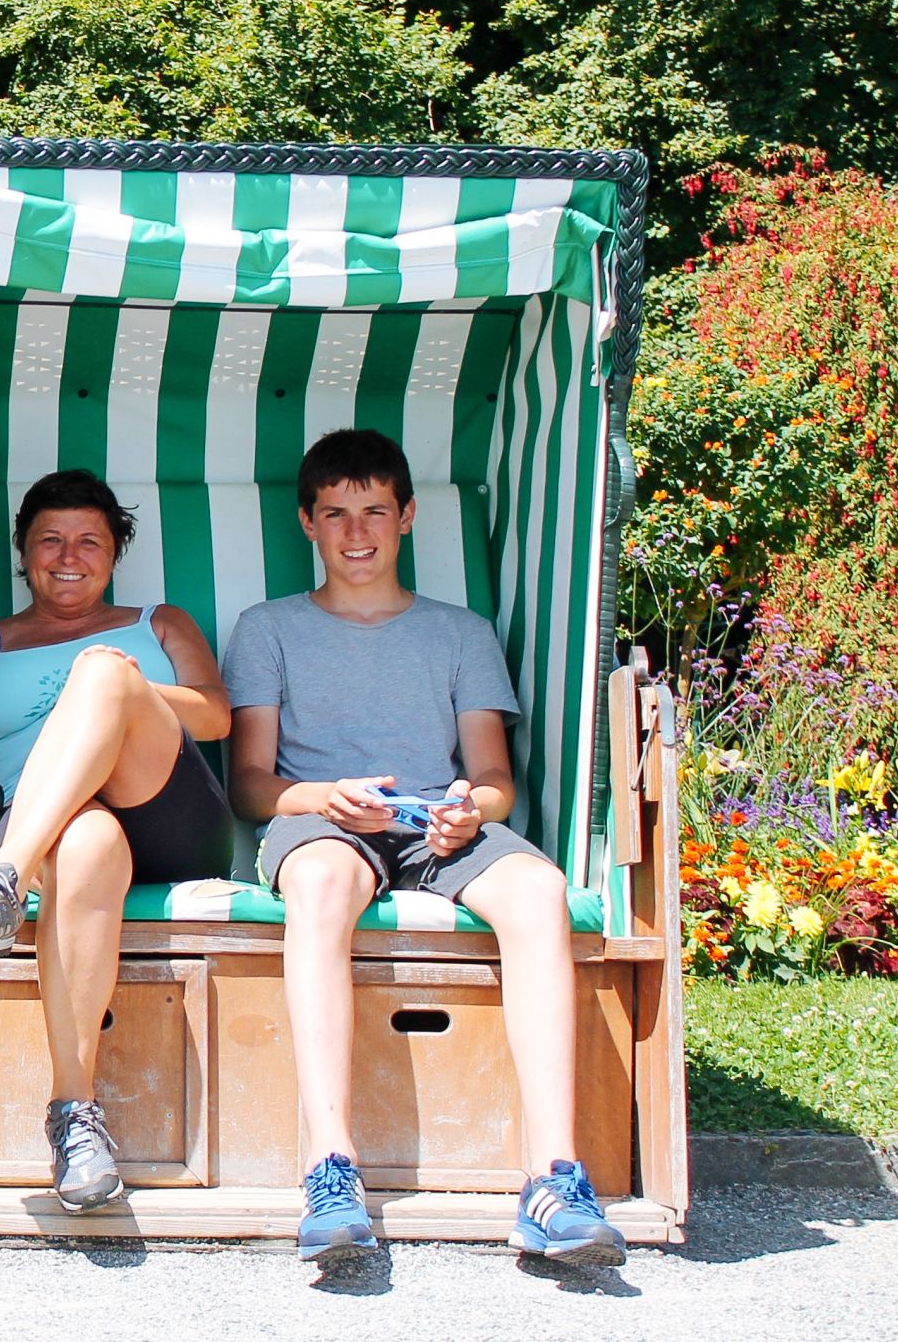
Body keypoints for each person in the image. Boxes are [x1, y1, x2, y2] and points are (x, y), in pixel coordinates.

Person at [222, 427, 626, 1268]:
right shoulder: (269, 629)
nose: (356, 532)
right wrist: (324, 798)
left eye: (374, 511)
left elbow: (492, 778)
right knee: (327, 881)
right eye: (335, 514)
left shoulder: (459, 631)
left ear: (406, 517)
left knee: (539, 891)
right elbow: (252, 784)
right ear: (308, 524)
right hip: (323, 818)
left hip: (436, 825)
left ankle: (553, 1176)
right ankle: (331, 1167)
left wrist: (466, 813)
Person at [0, 470, 237, 1210]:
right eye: (49, 539)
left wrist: (119, 689)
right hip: (55, 834)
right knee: (85, 838)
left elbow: (216, 719)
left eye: (91, 540)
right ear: (22, 552)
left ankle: (0, 882)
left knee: (102, 672)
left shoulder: (158, 624)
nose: (69, 554)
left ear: (115, 553)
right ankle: (75, 1117)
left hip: (168, 813)